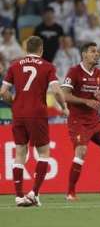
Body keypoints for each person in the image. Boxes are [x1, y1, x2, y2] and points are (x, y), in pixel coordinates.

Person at [0, 36, 68, 207]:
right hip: (37, 113)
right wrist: (64, 107)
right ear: (41, 49)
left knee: (20, 152)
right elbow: (57, 91)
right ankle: (34, 193)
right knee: (44, 153)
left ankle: (18, 196)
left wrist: (15, 102)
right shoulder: (47, 66)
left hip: (18, 113)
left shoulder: (15, 66)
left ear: (26, 49)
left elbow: (3, 92)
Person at [62, 42, 100, 200]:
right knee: (81, 151)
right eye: (93, 51)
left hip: (95, 121)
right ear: (84, 54)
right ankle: (70, 192)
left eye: (97, 52)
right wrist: (86, 101)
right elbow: (65, 95)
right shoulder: (74, 71)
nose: (97, 54)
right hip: (78, 121)